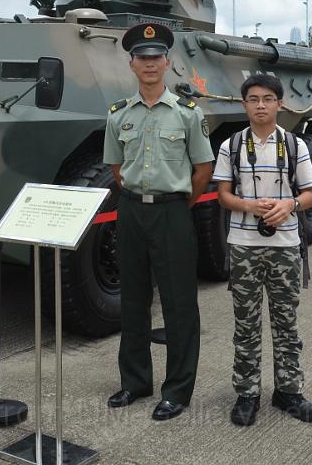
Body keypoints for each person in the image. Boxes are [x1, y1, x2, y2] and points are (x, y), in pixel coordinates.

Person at [103, 22, 214, 421]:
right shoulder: (118, 115)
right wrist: (140, 198)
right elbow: (117, 167)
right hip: (131, 211)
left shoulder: (187, 114)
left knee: (179, 303)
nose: (149, 64)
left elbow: (203, 168)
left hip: (172, 212)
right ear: (131, 64)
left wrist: (176, 202)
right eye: (141, 58)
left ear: (167, 62)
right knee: (132, 300)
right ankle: (134, 382)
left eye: (156, 57)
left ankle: (178, 390)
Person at [213, 74, 312, 426]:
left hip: (285, 246)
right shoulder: (230, 146)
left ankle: (288, 391)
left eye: (268, 98)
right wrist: (248, 206)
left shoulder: (295, 146)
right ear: (244, 104)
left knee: (286, 321)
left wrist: (288, 205)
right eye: (254, 99)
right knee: (245, 324)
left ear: (280, 103)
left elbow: (311, 194)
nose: (261, 105)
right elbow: (223, 196)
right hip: (244, 246)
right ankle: (247, 394)